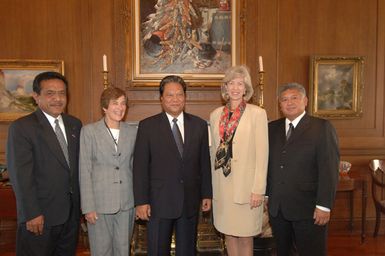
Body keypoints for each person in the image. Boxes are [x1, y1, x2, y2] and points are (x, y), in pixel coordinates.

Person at [133, 75, 212, 256]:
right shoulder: (147, 126)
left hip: (189, 201)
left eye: (179, 94)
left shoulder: (199, 125)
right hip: (158, 202)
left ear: (185, 97)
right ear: (161, 99)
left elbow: (204, 162)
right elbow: (140, 167)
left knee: (187, 251)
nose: (175, 99)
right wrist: (141, 201)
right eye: (170, 95)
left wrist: (207, 193)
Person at [7, 71, 82, 256]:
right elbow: (20, 176)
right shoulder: (22, 128)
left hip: (70, 216)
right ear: (36, 96)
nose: (58, 99)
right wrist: (31, 213)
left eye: (62, 93)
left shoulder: (75, 124)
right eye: (50, 93)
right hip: (40, 217)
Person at [267, 82, 340, 256]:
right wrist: (267, 194)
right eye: (284, 99)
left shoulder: (322, 127)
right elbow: (269, 164)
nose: (289, 103)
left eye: (294, 98)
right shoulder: (271, 128)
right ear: (280, 104)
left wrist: (324, 206)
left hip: (309, 208)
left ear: (305, 101)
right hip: (278, 209)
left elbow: (329, 169)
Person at [210, 65, 269, 256]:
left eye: (240, 84)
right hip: (223, 186)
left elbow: (262, 155)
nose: (235, 88)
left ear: (246, 89)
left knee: (245, 237)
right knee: (229, 235)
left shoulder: (257, 114)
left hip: (247, 187)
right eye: (231, 83)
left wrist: (258, 190)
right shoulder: (215, 115)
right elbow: (213, 153)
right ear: (225, 87)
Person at [79, 87, 136, 255]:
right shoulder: (89, 132)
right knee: (101, 251)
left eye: (123, 103)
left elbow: (134, 167)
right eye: (115, 103)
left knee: (123, 250)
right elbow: (85, 170)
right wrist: (88, 207)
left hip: (127, 203)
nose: (120, 107)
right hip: (99, 204)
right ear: (104, 107)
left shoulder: (132, 132)